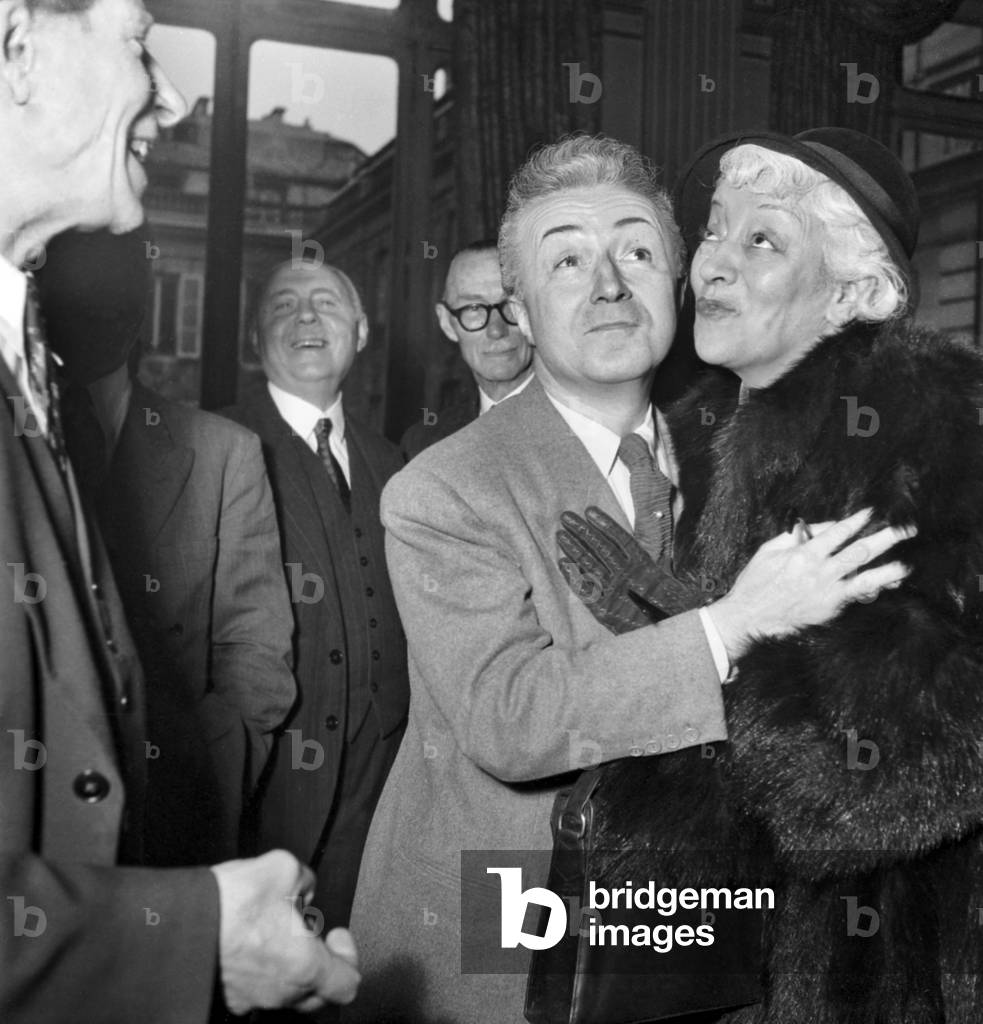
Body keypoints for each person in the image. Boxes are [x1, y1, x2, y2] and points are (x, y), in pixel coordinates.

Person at [344, 134, 913, 1022]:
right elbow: (509, 717)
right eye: (566, 259)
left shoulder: (735, 456)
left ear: (677, 281)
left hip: (680, 937)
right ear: (520, 312)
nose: (608, 283)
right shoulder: (447, 488)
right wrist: (729, 627)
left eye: (637, 251)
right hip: (497, 943)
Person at [560, 128, 983, 1021]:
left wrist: (707, 639)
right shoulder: (690, 434)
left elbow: (869, 783)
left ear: (854, 292)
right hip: (695, 945)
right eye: (712, 231)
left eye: (761, 240)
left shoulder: (924, 434)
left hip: (853, 969)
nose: (710, 264)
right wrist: (684, 626)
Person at [0, 1, 358, 1019]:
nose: (165, 91)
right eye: (136, 38)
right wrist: (194, 931)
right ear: (17, 49)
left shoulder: (34, 391)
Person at [37, 225, 297, 865]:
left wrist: (204, 770)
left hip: (175, 824)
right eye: (68, 287)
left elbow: (255, 648)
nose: (93, 308)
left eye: (112, 289)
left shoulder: (222, 453)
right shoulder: (22, 440)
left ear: (142, 306)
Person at [223, 257, 409, 929]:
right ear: (254, 340)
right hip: (263, 792)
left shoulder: (396, 464)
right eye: (283, 305)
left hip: (378, 791)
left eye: (326, 303)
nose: (305, 316)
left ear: (360, 333)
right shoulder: (208, 448)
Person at [400, 239, 533, 460]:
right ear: (447, 323)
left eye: (511, 304)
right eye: (473, 308)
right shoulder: (422, 447)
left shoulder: (594, 422)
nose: (496, 330)